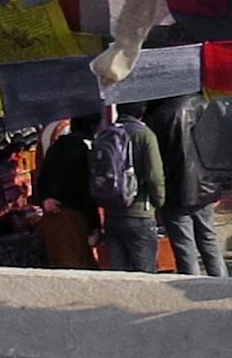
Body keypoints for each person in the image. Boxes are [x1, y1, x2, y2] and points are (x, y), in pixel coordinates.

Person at [148, 92, 224, 277]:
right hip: (206, 186)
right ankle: (224, 286)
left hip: (175, 190)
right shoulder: (205, 106)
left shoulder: (157, 116)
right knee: (209, 240)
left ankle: (193, 288)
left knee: (185, 248)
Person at [94, 105, 166, 273]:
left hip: (112, 213)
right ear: (142, 111)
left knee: (119, 274)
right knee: (145, 274)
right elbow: (155, 175)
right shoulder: (144, 134)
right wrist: (159, 201)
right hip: (140, 213)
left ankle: (118, 300)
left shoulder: (106, 134)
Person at [32, 118, 102, 270]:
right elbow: (85, 190)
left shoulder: (54, 148)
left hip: (51, 217)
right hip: (74, 218)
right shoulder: (83, 151)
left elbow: (41, 180)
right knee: (76, 269)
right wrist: (94, 224)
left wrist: (45, 200)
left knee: (56, 265)